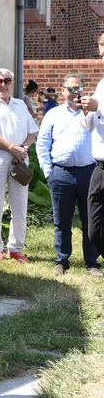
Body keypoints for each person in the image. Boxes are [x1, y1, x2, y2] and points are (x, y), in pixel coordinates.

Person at [36, 74, 101, 277]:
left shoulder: (92, 114)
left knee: (90, 220)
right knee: (61, 221)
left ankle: (91, 262)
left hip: (88, 172)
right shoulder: (53, 115)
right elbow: (43, 145)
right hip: (61, 173)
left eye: (78, 88)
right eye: (70, 89)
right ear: (63, 90)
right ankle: (61, 260)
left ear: (83, 89)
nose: (75, 93)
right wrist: (49, 172)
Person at [0, 68, 39, 262]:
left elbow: (32, 131)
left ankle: (15, 247)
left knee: (20, 204)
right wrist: (13, 148)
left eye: (7, 81)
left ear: (12, 83)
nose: (3, 84)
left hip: (19, 157)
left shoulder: (20, 105)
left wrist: (23, 149)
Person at [80, 34, 104, 259]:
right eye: (102, 48)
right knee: (95, 231)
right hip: (99, 167)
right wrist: (87, 111)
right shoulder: (101, 84)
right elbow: (90, 126)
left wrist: (99, 109)